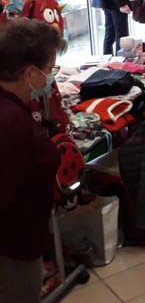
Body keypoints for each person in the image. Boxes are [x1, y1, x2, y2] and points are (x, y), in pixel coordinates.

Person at [0, 19, 65, 303]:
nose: (50, 77)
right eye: (49, 70)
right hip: (12, 250)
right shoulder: (9, 121)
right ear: (29, 73)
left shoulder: (12, 107)